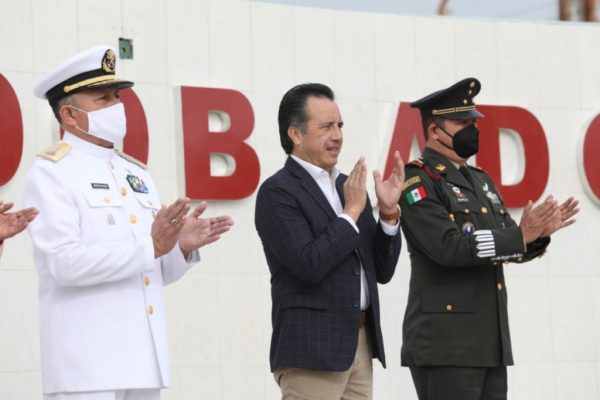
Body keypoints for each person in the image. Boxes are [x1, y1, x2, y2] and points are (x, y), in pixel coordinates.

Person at [24, 45, 234, 400]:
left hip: (142, 361)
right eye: (103, 99)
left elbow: (151, 270)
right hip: (87, 366)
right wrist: (151, 246)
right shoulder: (52, 173)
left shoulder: (135, 173)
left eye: (117, 96)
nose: (117, 106)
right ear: (69, 115)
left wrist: (178, 248)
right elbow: (63, 264)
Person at [399, 77, 579, 400]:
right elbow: (448, 248)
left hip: (488, 344)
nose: (473, 130)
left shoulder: (480, 181)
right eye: (463, 124)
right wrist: (519, 236)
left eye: (474, 122)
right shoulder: (418, 179)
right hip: (446, 346)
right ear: (435, 130)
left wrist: (536, 236)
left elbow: (509, 241)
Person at [255, 83, 405, 399]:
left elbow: (381, 271)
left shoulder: (348, 187)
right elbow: (309, 264)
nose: (337, 135)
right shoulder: (277, 192)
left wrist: (389, 214)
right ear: (295, 134)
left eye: (340, 125)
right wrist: (350, 213)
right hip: (311, 351)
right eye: (326, 127)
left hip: (360, 344)